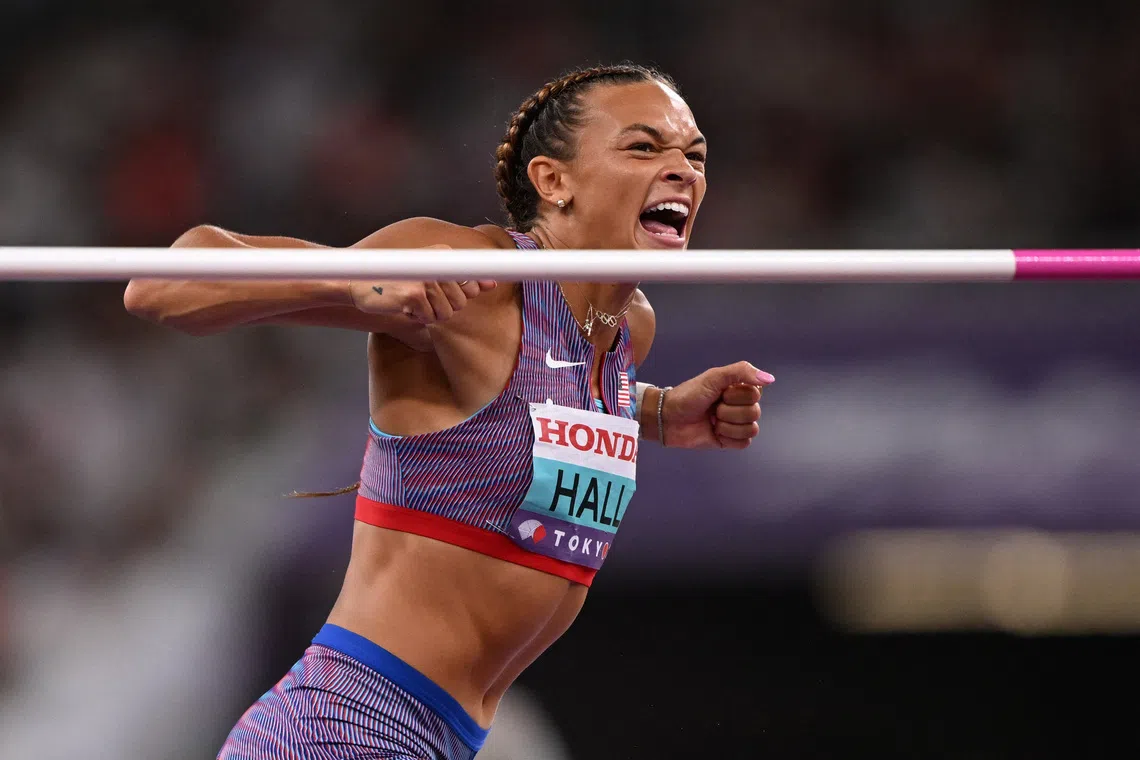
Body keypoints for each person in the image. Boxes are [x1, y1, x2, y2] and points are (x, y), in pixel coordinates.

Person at [124, 63, 775, 760]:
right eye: (644, 147)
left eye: (694, 156)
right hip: (343, 730)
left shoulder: (626, 330)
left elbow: (524, 402)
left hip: (445, 740)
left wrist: (654, 410)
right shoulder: (472, 272)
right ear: (554, 181)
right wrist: (351, 281)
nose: (681, 171)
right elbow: (159, 287)